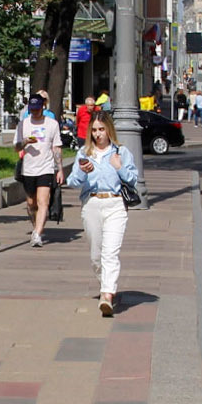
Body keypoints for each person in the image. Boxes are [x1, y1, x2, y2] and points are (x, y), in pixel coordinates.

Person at [66, 112, 141, 318]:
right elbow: (72, 182)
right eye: (94, 130)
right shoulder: (85, 153)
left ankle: (107, 295)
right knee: (96, 255)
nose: (98, 134)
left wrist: (119, 167)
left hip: (115, 204)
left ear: (109, 130)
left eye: (101, 129)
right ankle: (105, 284)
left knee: (110, 253)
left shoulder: (120, 152)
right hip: (92, 204)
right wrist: (83, 171)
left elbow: (133, 179)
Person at [16, 93, 62, 247]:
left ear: (43, 107)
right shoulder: (23, 124)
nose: (34, 112)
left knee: (43, 202)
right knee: (31, 204)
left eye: (37, 109)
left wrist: (59, 169)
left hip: (46, 168)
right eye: (32, 109)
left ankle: (37, 234)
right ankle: (36, 226)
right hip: (28, 169)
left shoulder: (52, 124)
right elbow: (16, 147)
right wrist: (24, 142)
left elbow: (56, 148)